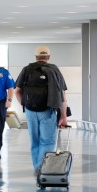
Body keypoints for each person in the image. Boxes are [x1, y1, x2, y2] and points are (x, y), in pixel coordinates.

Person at [14, 45, 69, 173]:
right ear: (48, 57)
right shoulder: (54, 70)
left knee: (35, 141)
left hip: (30, 111)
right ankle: (42, 168)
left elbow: (17, 91)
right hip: (48, 111)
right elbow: (62, 96)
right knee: (47, 142)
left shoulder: (27, 69)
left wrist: (26, 105)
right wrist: (63, 116)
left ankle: (37, 166)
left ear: (36, 57)